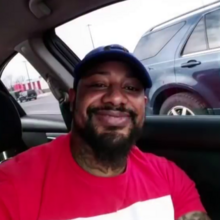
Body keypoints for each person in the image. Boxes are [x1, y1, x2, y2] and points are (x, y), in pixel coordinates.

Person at [0, 45, 210, 220]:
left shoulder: (169, 177)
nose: (116, 98)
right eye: (99, 84)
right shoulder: (11, 186)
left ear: (143, 105)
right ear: (73, 99)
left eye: (131, 88)